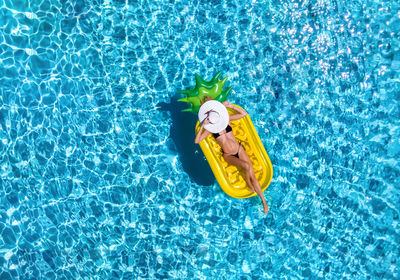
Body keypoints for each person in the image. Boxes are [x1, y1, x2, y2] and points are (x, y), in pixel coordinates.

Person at [194, 96, 269, 214]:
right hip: (228, 155)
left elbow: (244, 114)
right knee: (247, 166)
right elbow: (197, 141)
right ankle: (250, 185)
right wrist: (203, 125)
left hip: (239, 149)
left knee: (252, 173)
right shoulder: (210, 129)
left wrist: (230, 106)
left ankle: (263, 201)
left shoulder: (227, 120)